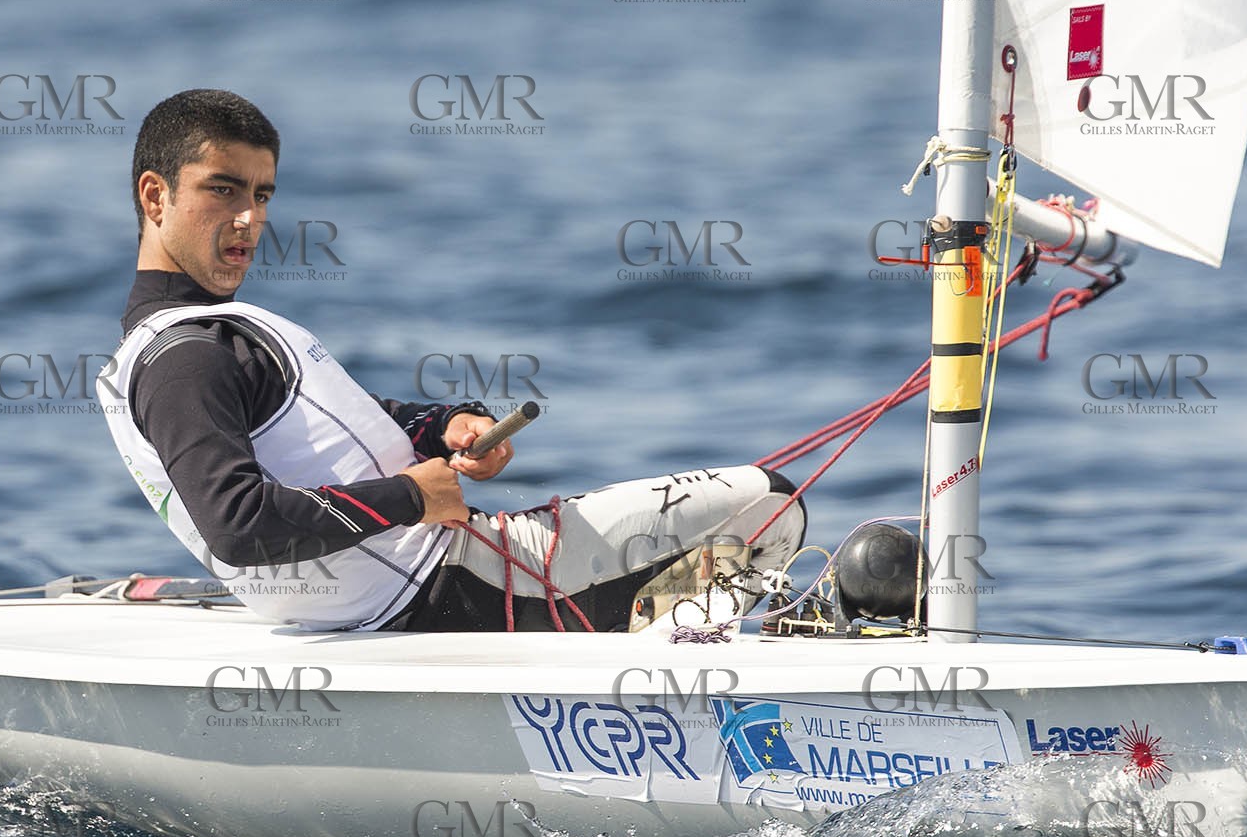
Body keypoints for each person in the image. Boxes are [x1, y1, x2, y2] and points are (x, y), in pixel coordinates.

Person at [99, 89, 807, 633]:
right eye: (222, 189)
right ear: (155, 195)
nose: (250, 219)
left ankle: (662, 659)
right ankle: (684, 685)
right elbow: (238, 523)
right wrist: (412, 495)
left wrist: (446, 426)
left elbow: (347, 431)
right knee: (775, 505)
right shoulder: (188, 356)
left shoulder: (191, 341)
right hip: (459, 585)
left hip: (420, 589)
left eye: (262, 194)